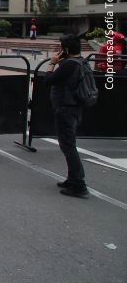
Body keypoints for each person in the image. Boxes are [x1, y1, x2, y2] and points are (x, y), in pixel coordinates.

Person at [45, 34, 89, 198]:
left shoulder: (68, 65)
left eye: (61, 47)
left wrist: (52, 63)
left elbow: (49, 80)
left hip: (65, 109)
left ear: (66, 49)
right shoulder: (81, 62)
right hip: (75, 108)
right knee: (68, 145)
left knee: (68, 146)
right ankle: (72, 178)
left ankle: (79, 184)